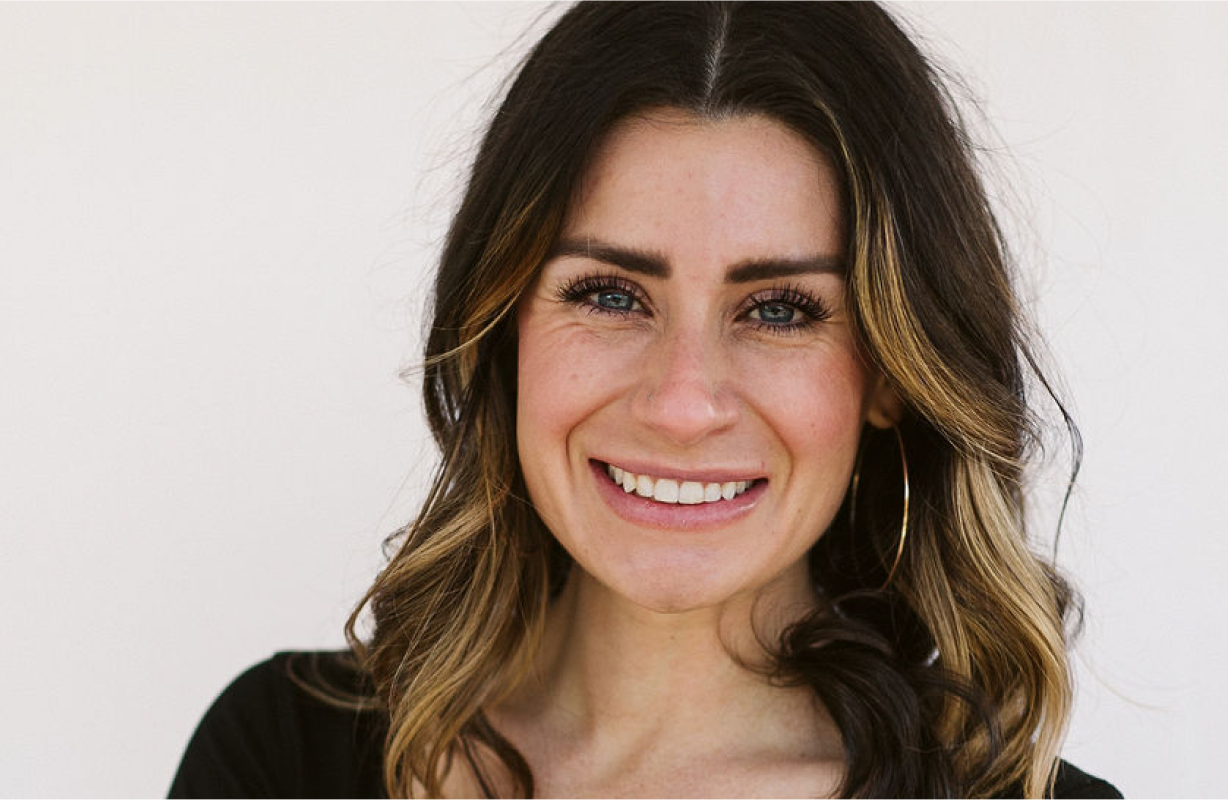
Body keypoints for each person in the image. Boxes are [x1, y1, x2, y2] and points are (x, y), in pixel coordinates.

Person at [169, 1, 1123, 798]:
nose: (682, 404)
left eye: (781, 310)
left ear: (890, 372)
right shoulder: (281, 756)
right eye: (612, 295)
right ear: (504, 328)